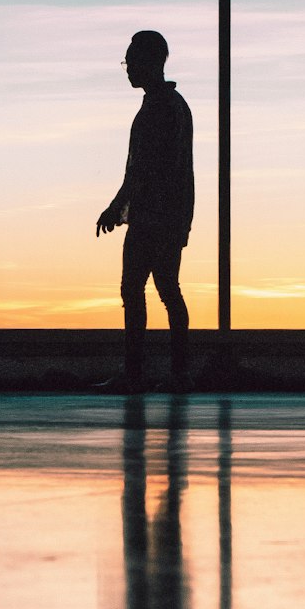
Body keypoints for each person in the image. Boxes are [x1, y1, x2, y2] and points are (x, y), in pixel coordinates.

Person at [96, 30, 194, 393]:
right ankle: (178, 372)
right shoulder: (174, 104)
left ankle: (136, 373)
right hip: (171, 214)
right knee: (168, 288)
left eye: (131, 61)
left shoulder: (157, 108)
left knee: (135, 289)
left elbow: (143, 168)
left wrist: (115, 206)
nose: (127, 69)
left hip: (153, 214)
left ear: (151, 62)